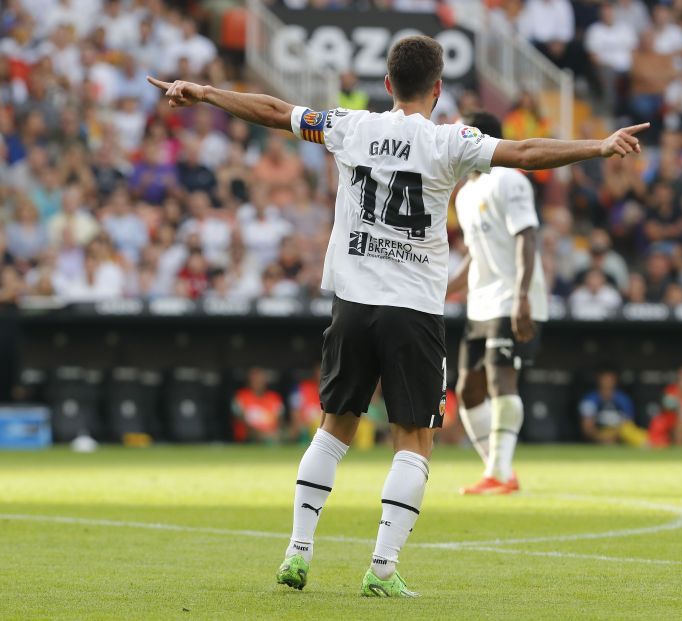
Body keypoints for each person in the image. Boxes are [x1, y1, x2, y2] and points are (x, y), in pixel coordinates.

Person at [149, 35, 648, 597]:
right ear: (438, 89)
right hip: (411, 309)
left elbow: (272, 110)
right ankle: (382, 570)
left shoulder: (349, 125)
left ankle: (298, 550)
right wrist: (600, 146)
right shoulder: (449, 140)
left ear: (386, 84)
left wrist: (206, 93)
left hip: (354, 302)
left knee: (334, 426)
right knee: (413, 438)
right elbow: (527, 154)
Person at [448, 111, 547, 496]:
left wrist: (522, 295)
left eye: (462, 133)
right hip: (481, 303)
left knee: (498, 378)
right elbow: (475, 254)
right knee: (467, 390)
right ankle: (498, 467)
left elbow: (527, 236)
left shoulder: (509, 178)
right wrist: (444, 289)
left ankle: (500, 472)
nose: (456, 140)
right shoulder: (468, 191)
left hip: (513, 300)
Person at [579, 371, 647, 447]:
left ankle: (649, 442)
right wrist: (601, 438)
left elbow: (628, 425)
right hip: (598, 438)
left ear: (615, 381)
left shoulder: (623, 399)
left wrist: (614, 436)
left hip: (618, 437)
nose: (607, 382)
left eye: (610, 379)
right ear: (599, 380)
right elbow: (587, 428)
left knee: (631, 432)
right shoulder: (590, 399)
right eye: (605, 379)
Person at [232, 367, 284, 444]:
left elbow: (280, 419)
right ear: (249, 381)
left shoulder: (274, 397)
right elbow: (239, 419)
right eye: (255, 380)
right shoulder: (240, 397)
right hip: (249, 438)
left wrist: (275, 432)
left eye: (261, 379)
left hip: (272, 436)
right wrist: (259, 433)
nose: (258, 382)